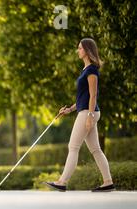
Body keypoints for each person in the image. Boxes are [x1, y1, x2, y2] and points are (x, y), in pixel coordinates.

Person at [45, 38, 115, 192]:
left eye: (80, 48)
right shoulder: (85, 70)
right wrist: (70, 109)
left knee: (73, 146)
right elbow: (83, 97)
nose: (78, 51)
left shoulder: (91, 71)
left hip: (88, 113)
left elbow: (93, 95)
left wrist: (89, 116)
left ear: (88, 51)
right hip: (86, 111)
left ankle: (62, 182)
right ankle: (108, 182)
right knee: (96, 149)